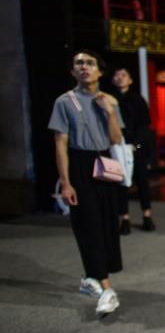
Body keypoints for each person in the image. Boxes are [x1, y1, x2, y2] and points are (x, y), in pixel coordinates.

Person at [48, 50, 125, 317]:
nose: (84, 67)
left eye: (90, 63)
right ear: (73, 71)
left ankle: (92, 278)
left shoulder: (110, 100)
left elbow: (116, 139)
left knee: (107, 227)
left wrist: (110, 113)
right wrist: (66, 183)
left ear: (99, 71)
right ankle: (106, 289)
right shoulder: (64, 102)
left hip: (105, 165)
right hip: (80, 165)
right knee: (88, 226)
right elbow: (60, 145)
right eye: (79, 63)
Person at [112, 67, 155, 234]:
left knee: (142, 181)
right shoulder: (110, 99)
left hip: (138, 147)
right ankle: (124, 218)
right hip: (118, 147)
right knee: (121, 183)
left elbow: (144, 126)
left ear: (130, 80)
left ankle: (147, 215)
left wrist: (135, 145)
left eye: (123, 75)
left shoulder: (138, 100)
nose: (119, 77)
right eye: (117, 75)